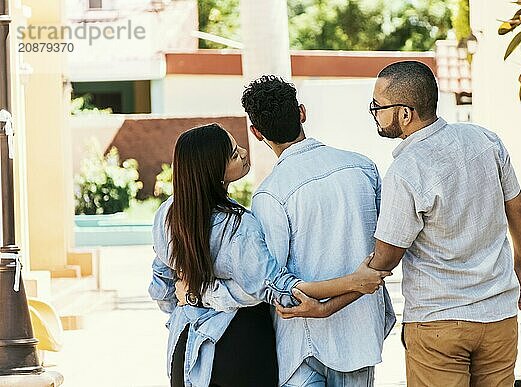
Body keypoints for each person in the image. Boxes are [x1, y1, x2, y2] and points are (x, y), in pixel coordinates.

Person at [148, 124, 389, 387]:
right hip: (239, 350)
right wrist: (354, 282)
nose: (242, 153)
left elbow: (161, 286)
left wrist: (193, 302)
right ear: (213, 170)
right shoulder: (237, 226)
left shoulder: (167, 215)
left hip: (187, 352)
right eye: (232, 154)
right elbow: (278, 289)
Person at [364, 61, 521, 386]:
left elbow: (386, 257)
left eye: (377, 106)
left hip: (438, 323)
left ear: (405, 113)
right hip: (499, 315)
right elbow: (518, 208)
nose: (374, 112)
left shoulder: (406, 170)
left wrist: (348, 281)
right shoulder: (485, 140)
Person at [239, 75, 397, 387]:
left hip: (299, 346)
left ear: (257, 133)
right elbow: (385, 254)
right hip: (358, 334)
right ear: (302, 112)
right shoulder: (362, 168)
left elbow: (274, 280)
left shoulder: (270, 195)